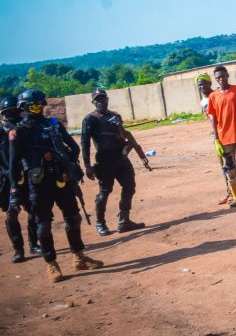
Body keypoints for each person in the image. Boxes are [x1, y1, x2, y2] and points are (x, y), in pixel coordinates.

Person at [8, 89, 103, 282]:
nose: (37, 108)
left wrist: (67, 163)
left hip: (62, 179)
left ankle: (79, 257)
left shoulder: (53, 125)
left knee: (74, 218)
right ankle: (51, 264)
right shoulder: (19, 131)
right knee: (43, 225)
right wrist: (14, 190)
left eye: (39, 104)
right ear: (24, 108)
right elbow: (13, 163)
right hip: (39, 184)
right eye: (32, 105)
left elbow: (74, 147)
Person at [81, 89, 148, 235]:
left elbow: (123, 134)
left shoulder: (115, 116)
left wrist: (127, 149)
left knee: (130, 186)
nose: (101, 101)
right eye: (97, 99)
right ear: (93, 102)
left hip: (121, 158)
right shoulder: (90, 119)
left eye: (103, 98)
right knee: (104, 191)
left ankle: (124, 221)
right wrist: (87, 165)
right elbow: (84, 143)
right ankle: (100, 223)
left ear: (107, 99)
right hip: (105, 160)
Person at [2, 96, 40, 263]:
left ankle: (33, 243)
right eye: (7, 112)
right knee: (11, 214)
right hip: (6, 179)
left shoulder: (24, 128)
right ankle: (18, 249)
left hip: (28, 174)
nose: (12, 114)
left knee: (34, 210)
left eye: (15, 111)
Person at [205, 67, 236, 207]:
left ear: (228, 75)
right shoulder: (213, 96)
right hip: (224, 138)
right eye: (218, 77)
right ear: (215, 79)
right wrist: (216, 138)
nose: (221, 79)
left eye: (223, 76)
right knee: (229, 169)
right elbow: (213, 117)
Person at [197, 72, 232, 205]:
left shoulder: (215, 96)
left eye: (204, 84)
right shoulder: (202, 102)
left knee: (231, 164)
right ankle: (230, 193)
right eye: (200, 85)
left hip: (227, 133)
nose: (202, 87)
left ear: (210, 83)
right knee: (224, 166)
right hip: (216, 137)